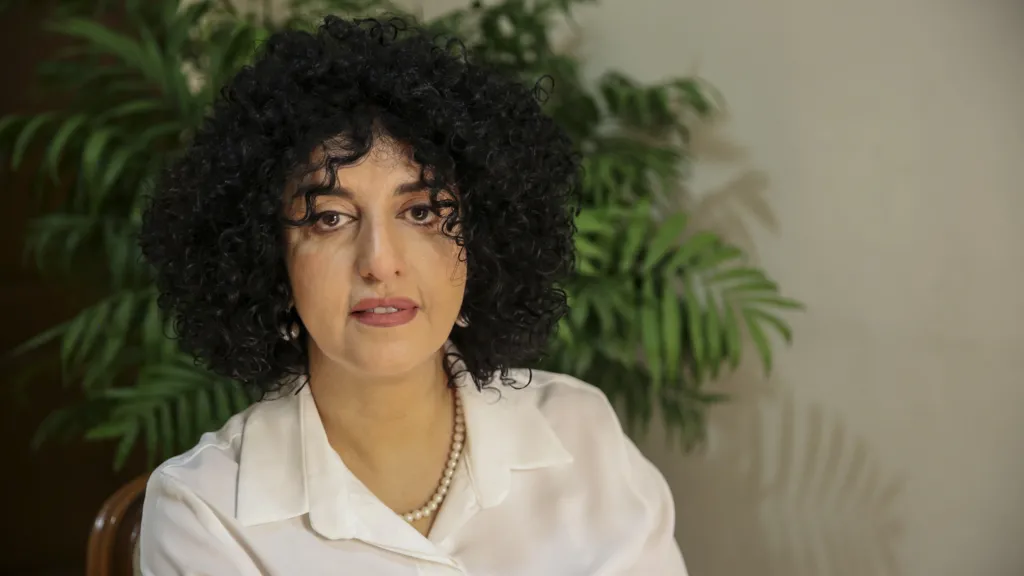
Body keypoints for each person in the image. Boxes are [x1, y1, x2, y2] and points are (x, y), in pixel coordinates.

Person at [137, 15, 688, 576]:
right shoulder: (204, 511)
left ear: (481, 240)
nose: (379, 262)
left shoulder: (581, 433)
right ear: (267, 258)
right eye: (329, 218)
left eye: (421, 212)